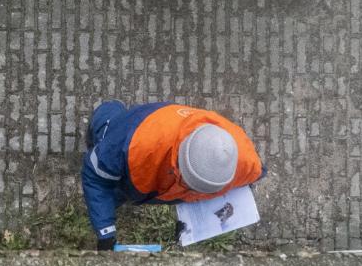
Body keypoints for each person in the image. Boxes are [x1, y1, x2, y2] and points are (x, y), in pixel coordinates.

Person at [81, 100, 265, 251]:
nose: (187, 192)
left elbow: (257, 174)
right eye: (187, 182)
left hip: (141, 176)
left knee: (117, 195)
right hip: (132, 130)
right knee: (107, 127)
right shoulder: (132, 145)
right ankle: (105, 114)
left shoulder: (247, 163)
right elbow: (95, 176)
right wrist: (106, 232)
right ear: (178, 160)